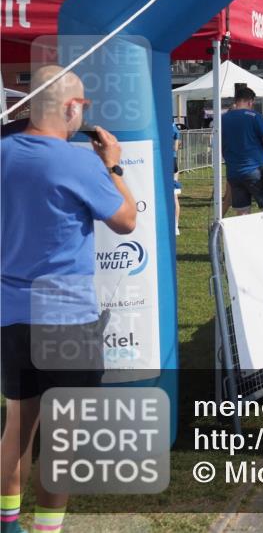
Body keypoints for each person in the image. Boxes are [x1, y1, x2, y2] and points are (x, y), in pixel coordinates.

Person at [1, 66, 138, 533]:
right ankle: (46, 529)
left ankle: (9, 524)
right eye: (83, 104)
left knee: (18, 424)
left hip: (11, 313)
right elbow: (125, 221)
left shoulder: (3, 153)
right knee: (64, 438)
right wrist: (113, 165)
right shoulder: (77, 162)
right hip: (66, 318)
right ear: (68, 107)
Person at [220, 85, 263, 215]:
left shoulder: (223, 118)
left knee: (242, 212)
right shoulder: (254, 116)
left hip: (233, 172)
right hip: (254, 170)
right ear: (251, 101)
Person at [172, 119, 182, 235]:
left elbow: (175, 148)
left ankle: (175, 226)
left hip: (166, 161)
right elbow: (175, 148)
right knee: (174, 196)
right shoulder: (175, 129)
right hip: (173, 162)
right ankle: (175, 226)